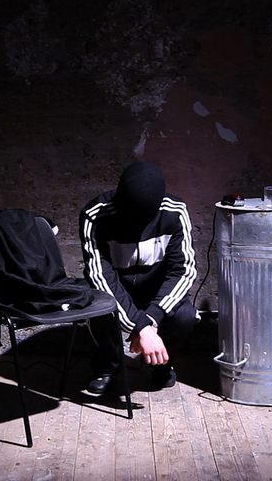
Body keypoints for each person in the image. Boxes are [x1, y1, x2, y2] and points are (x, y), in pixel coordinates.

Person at [79, 160, 199, 393]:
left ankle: (161, 364)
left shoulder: (175, 212)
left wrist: (151, 318)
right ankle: (107, 367)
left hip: (155, 291)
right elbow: (100, 276)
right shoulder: (95, 215)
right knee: (98, 308)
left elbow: (183, 271)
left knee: (185, 315)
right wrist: (141, 326)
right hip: (116, 288)